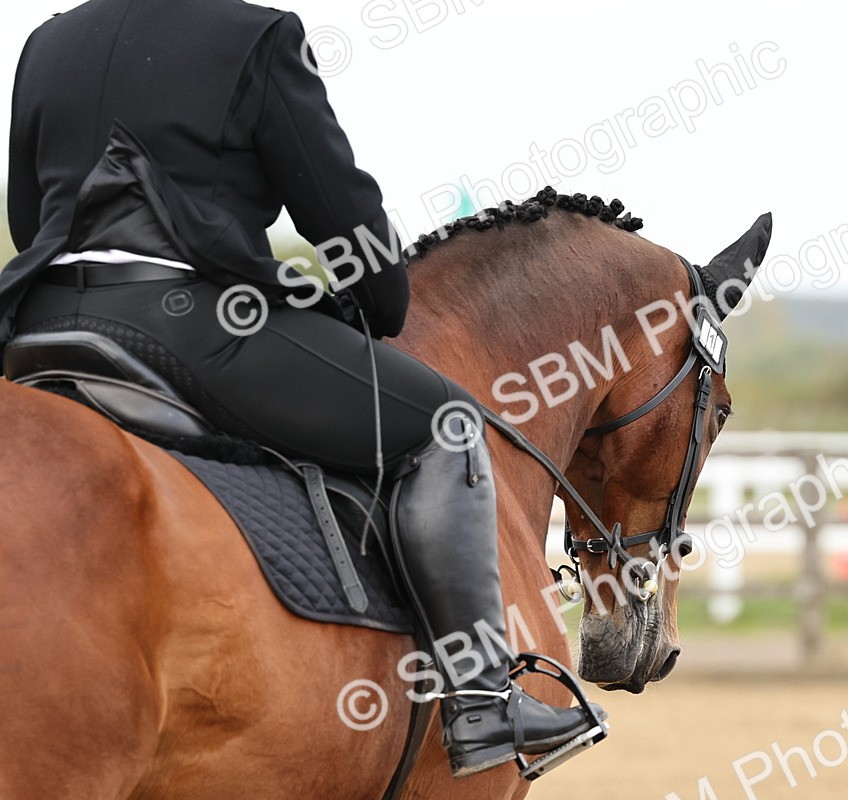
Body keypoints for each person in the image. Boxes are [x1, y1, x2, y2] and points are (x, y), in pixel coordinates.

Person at [1, 0, 603, 779]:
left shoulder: (50, 41)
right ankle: (482, 700)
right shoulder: (257, 35)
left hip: (43, 323)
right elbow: (342, 219)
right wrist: (372, 294)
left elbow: (28, 216)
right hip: (190, 323)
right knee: (447, 424)